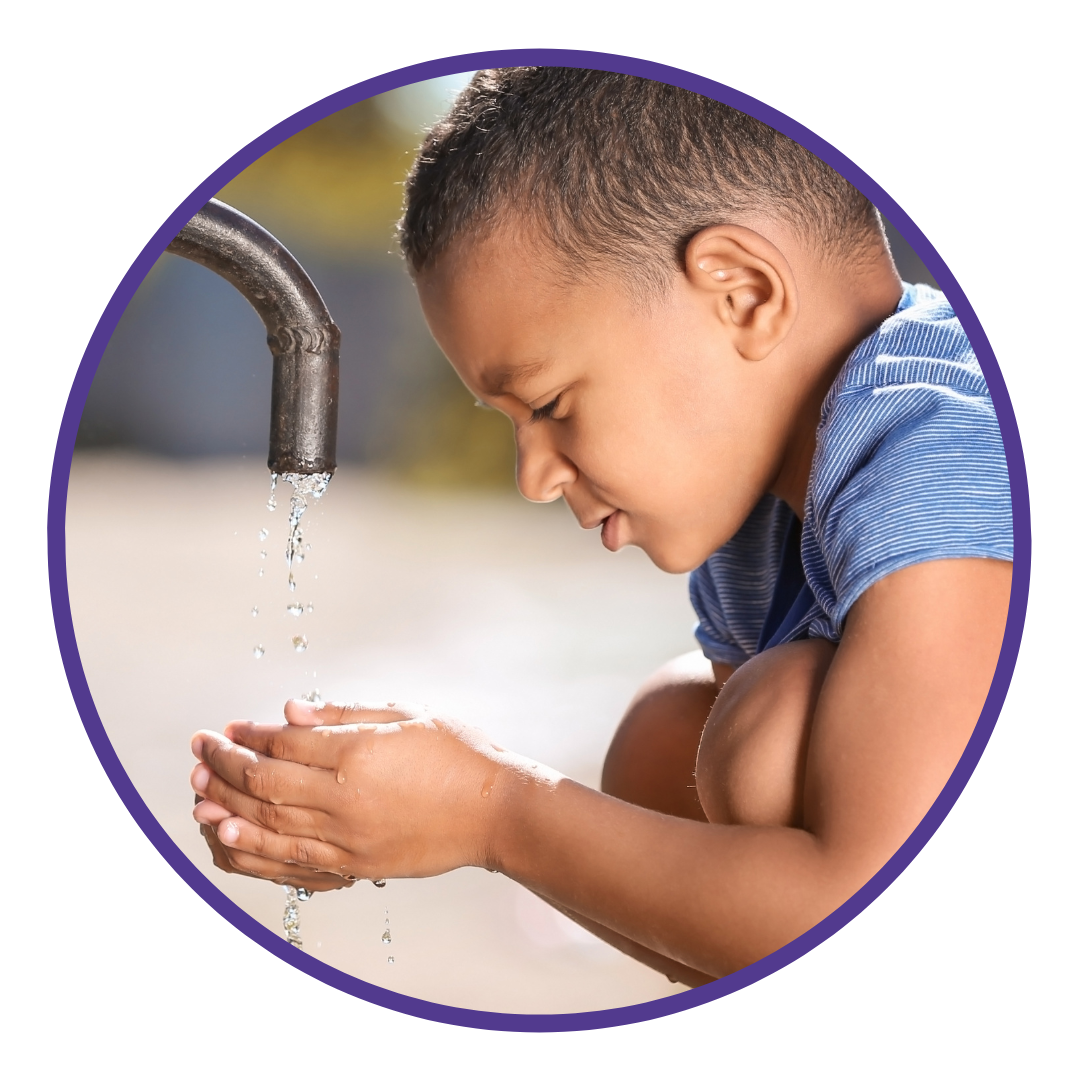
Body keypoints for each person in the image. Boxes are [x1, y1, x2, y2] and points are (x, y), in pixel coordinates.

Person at [188, 68, 1013, 985]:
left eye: (547, 403)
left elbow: (871, 914)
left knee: (766, 733)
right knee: (674, 737)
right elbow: (718, 932)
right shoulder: (767, 514)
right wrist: (404, 821)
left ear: (741, 293)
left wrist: (491, 812)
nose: (535, 477)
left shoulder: (943, 446)